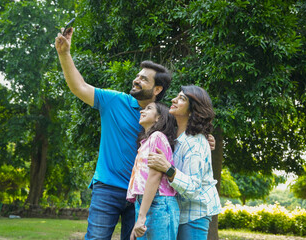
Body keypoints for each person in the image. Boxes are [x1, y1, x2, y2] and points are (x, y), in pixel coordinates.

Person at [55, 27, 172, 240]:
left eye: (144, 79)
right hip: (107, 189)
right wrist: (64, 54)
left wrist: (207, 139)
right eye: (138, 76)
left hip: (141, 195)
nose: (136, 80)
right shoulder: (114, 100)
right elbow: (79, 86)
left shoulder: (162, 118)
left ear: (157, 89)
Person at [147, 85, 222, 240]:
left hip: (194, 214)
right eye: (177, 96)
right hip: (178, 210)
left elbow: (193, 188)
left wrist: (168, 169)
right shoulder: (173, 135)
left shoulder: (195, 143)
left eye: (181, 98)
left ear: (192, 110)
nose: (173, 100)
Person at [127, 102, 179, 240]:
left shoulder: (157, 137)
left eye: (148, 109)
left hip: (159, 204)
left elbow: (154, 176)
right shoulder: (146, 142)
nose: (142, 111)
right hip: (147, 203)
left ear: (158, 118)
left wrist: (141, 218)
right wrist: (139, 217)